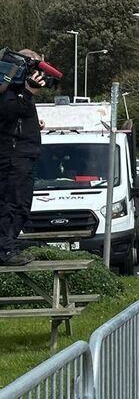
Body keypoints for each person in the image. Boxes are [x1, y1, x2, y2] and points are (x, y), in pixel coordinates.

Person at [0, 50, 49, 265]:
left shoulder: (16, 89)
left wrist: (31, 125)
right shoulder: (9, 88)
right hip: (13, 157)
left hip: (22, 155)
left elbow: (14, 117)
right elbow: (8, 112)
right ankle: (5, 250)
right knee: (12, 203)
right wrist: (28, 92)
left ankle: (8, 247)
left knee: (20, 204)